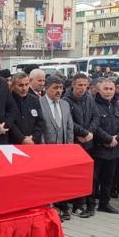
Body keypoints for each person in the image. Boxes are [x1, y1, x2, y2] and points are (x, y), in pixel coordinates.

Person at [38, 75, 75, 220]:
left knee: (61, 180)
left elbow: (69, 126)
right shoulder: (39, 103)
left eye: (61, 88)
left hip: (63, 149)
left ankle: (62, 206)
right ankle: (49, 206)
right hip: (46, 149)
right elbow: (39, 128)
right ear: (46, 88)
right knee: (47, 180)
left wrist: (70, 147)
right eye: (55, 88)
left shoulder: (65, 104)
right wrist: (42, 149)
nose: (59, 91)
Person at [64, 73, 100, 217]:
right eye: (80, 85)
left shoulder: (89, 98)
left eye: (85, 85)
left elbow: (96, 116)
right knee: (75, 177)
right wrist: (83, 132)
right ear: (73, 84)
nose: (83, 88)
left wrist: (89, 132)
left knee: (91, 176)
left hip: (88, 143)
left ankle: (89, 204)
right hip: (75, 143)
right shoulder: (66, 100)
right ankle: (76, 205)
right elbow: (68, 121)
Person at [92, 78, 119, 214]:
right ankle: (90, 204)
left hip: (114, 149)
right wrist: (108, 139)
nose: (108, 92)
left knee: (109, 179)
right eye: (105, 89)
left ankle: (104, 203)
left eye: (111, 89)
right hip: (99, 148)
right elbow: (95, 126)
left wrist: (117, 139)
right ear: (99, 90)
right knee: (94, 179)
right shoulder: (94, 105)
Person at [9, 71, 45, 145]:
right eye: (20, 85)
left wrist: (33, 138)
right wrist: (21, 138)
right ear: (13, 86)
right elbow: (9, 122)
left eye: (26, 85)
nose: (24, 88)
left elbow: (40, 122)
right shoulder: (8, 100)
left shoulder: (34, 99)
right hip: (14, 143)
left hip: (32, 143)